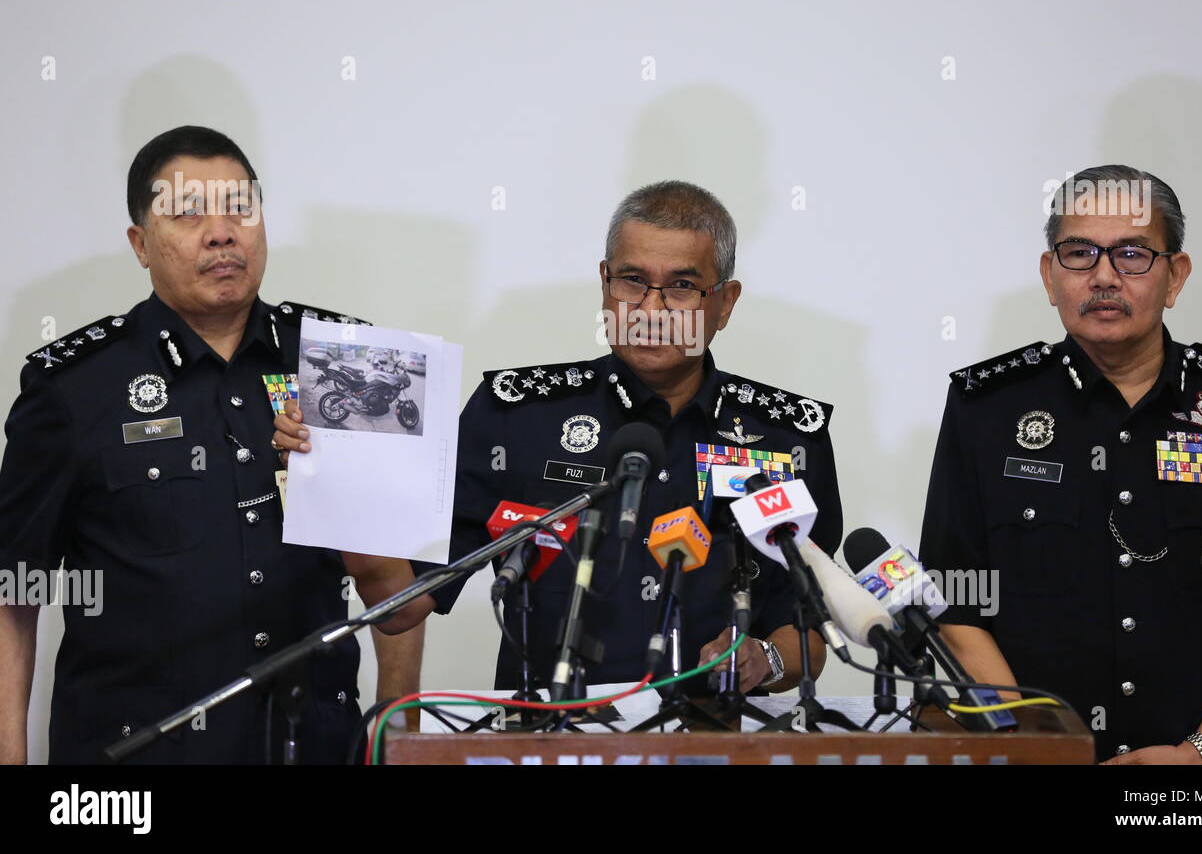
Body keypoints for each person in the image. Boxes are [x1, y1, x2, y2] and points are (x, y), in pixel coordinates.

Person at [279, 180, 842, 696]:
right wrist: (337, 469)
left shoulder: (788, 438)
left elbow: (807, 631)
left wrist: (762, 658)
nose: (651, 310)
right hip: (550, 740)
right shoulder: (516, 416)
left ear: (725, 301)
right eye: (633, 281)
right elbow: (398, 605)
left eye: (683, 287)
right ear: (604, 283)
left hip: (716, 740)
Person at [0, 125, 421, 764]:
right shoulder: (74, 388)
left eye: (240, 209)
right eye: (188, 214)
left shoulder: (346, 362)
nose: (221, 232)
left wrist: (397, 736)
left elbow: (397, 599)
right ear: (141, 244)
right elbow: (15, 591)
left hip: (310, 747)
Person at [919, 165, 1202, 764]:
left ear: (1176, 275)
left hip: (1198, 779)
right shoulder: (986, 407)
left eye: (1131, 255)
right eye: (1079, 253)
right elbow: (953, 601)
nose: (1103, 276)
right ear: (1050, 275)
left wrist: (1199, 753)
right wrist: (1040, 748)